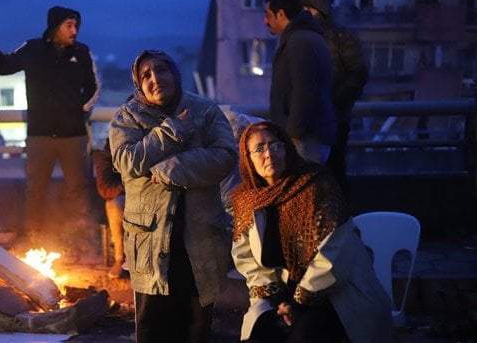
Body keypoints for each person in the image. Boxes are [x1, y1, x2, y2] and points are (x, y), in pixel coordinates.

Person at [109, 49, 237, 343]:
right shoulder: (127, 117)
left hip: (199, 237)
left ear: (175, 74)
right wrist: (171, 131)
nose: (155, 78)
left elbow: (225, 156)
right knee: (153, 326)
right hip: (150, 240)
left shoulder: (204, 110)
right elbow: (126, 162)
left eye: (161, 70)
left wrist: (174, 167)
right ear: (138, 84)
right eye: (146, 75)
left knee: (196, 325)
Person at [230, 121, 392, 342]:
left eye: (275, 145)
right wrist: (278, 299)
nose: (269, 153)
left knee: (302, 336)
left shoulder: (318, 186)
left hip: (333, 293)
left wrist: (298, 302)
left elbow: (333, 256)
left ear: (287, 148)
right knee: (259, 336)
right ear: (247, 158)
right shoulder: (246, 200)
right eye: (259, 148)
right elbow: (247, 259)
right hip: (281, 296)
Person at [0, 6, 99, 257]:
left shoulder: (82, 52)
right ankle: (33, 238)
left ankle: (81, 240)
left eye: (76, 25)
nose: (74, 30)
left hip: (74, 134)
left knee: (78, 188)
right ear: (55, 27)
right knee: (35, 189)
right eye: (69, 25)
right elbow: (7, 65)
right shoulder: (32, 48)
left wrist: (79, 110)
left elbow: (93, 87)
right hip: (39, 134)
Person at [299, 0, 368, 196]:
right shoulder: (334, 37)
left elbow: (358, 74)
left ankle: (336, 219)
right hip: (324, 118)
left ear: (312, 10)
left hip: (330, 118)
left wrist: (331, 101)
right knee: (325, 175)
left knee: (329, 173)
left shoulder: (335, 38)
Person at [264, 0, 336, 164]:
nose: (265, 21)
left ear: (281, 14)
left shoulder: (299, 42)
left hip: (304, 140)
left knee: (303, 187)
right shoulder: (305, 38)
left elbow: (304, 91)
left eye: (267, 15)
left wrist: (293, 134)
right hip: (307, 136)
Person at [92, 138, 126, 279]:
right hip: (126, 196)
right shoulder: (107, 155)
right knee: (116, 205)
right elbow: (105, 189)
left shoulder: (148, 146)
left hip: (151, 196)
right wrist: (128, 187)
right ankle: (120, 259)